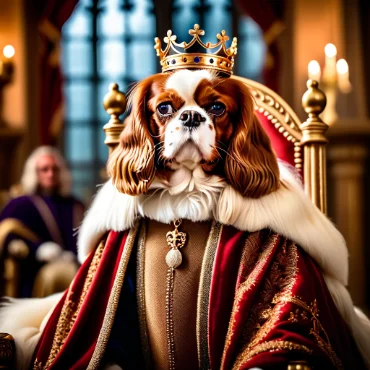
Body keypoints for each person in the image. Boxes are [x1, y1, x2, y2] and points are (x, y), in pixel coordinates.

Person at [1, 26, 370, 370]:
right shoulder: (125, 227)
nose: (189, 119)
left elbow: (291, 320)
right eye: (166, 109)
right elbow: (94, 320)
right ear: (147, 123)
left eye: (215, 109)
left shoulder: (268, 231)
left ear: (236, 124)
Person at [0, 146, 84, 298]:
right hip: (35, 271)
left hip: (74, 264)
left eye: (55, 169)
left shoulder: (75, 205)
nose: (50, 174)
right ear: (35, 173)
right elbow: (6, 232)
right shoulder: (21, 204)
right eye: (44, 169)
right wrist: (37, 249)